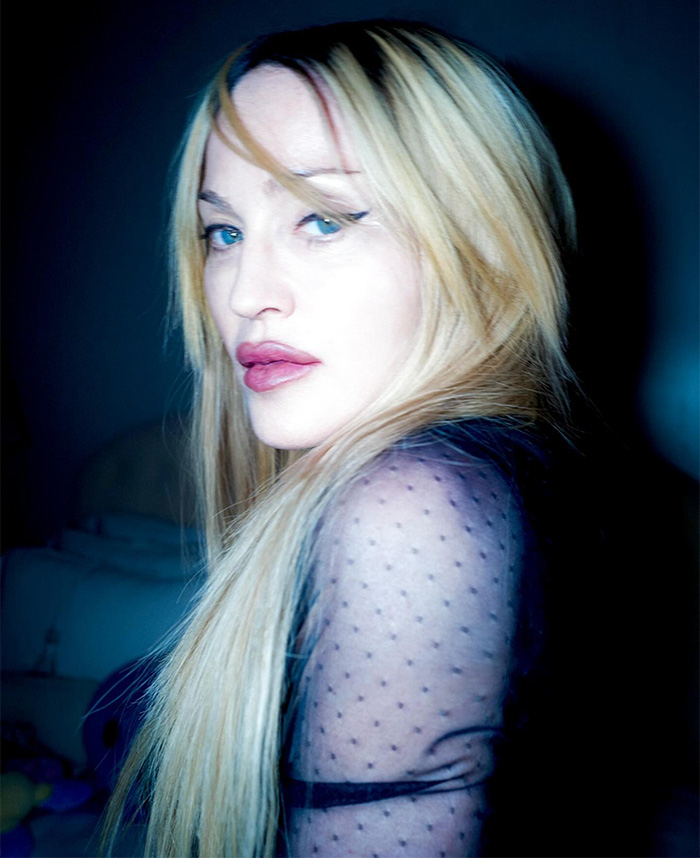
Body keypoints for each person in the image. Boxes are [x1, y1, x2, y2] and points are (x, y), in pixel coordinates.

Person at [104, 20, 576, 857]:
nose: (246, 294)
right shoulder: (480, 474)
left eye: (323, 219)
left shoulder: (412, 505)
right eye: (224, 232)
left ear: (482, 245)